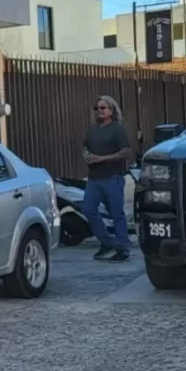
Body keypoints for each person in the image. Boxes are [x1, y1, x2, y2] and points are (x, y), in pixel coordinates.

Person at [82, 95, 133, 263]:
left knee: (116, 212)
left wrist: (103, 158)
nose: (99, 111)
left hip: (113, 176)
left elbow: (126, 152)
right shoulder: (93, 130)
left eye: (103, 108)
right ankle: (106, 242)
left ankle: (122, 248)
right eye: (96, 108)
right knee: (88, 209)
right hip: (94, 178)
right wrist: (87, 156)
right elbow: (85, 147)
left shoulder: (117, 129)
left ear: (111, 110)